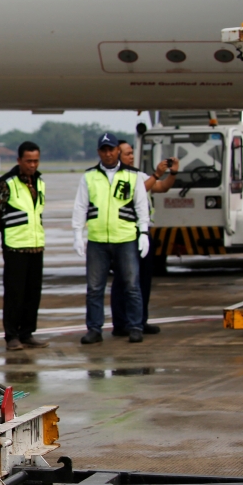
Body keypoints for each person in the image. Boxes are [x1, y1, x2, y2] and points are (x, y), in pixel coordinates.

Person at [72, 132, 150, 344]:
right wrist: (78, 233)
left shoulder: (133, 176)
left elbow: (142, 206)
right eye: (104, 150)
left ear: (117, 150)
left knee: (132, 285)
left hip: (125, 238)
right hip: (97, 240)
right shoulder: (89, 177)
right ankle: (94, 329)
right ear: (99, 152)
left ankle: (135, 326)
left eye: (111, 149)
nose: (108, 153)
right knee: (95, 288)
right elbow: (80, 206)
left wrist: (143, 232)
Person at [110, 140, 178, 336]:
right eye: (127, 153)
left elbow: (162, 187)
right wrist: (156, 174)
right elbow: (134, 192)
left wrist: (172, 173)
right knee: (124, 280)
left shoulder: (138, 175)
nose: (131, 156)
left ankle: (139, 320)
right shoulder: (115, 177)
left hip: (144, 233)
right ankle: (121, 323)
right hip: (125, 234)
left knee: (144, 279)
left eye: (132, 153)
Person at [0, 141, 49, 351]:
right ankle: (12, 336)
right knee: (15, 293)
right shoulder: (6, 183)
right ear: (19, 161)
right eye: (28, 161)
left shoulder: (39, 182)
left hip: (36, 245)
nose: (33, 165)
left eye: (36, 160)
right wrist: (9, 233)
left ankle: (27, 333)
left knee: (33, 293)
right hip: (15, 247)